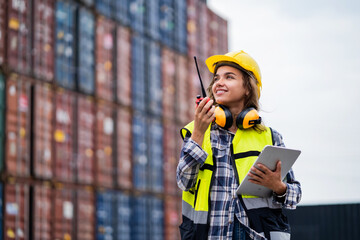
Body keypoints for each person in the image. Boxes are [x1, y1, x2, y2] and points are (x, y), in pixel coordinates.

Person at [176, 50, 302, 240]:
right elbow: (184, 181)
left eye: (229, 77)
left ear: (248, 88)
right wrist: (199, 133)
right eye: (216, 78)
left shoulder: (270, 137)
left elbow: (296, 195)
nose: (219, 82)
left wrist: (278, 187)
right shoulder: (196, 131)